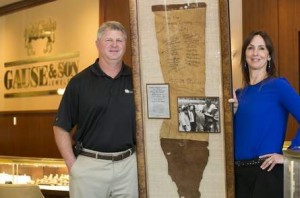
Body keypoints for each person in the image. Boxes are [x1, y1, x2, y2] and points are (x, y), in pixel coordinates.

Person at [53, 21, 138, 198]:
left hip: (128, 168)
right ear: (97, 44)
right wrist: (73, 166)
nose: (114, 45)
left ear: (126, 44)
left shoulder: (136, 79)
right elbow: (60, 127)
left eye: (119, 40)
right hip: (89, 167)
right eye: (108, 40)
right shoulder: (79, 82)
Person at [229, 30, 300, 198]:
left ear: (268, 56)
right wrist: (232, 114)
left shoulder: (278, 86)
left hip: (266, 174)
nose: (255, 53)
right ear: (245, 55)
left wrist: (287, 155)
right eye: (250, 48)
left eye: (261, 48)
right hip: (237, 175)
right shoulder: (238, 95)